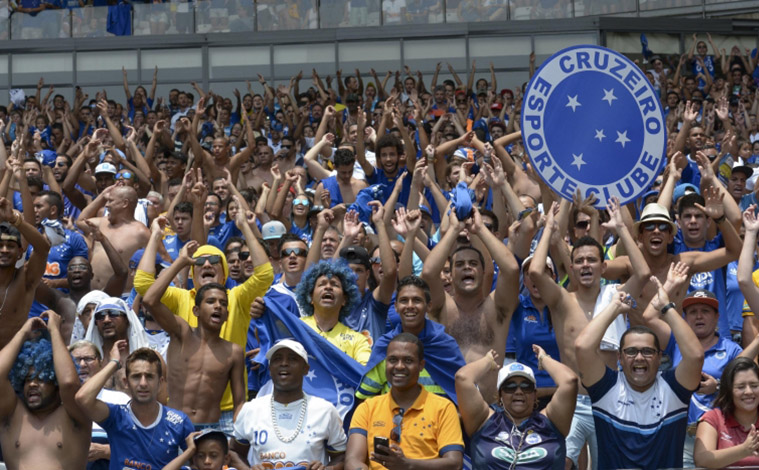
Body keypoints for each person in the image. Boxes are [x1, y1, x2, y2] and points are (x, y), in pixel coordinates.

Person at [575, 263, 704, 470]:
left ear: (659, 357)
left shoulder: (674, 388)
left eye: (647, 351)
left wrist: (667, 307)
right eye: (631, 351)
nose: (639, 358)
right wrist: (613, 308)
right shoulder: (605, 387)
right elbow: (582, 347)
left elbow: (696, 356)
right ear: (620, 357)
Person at [421, 205, 520, 403]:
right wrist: (454, 230)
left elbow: (511, 269)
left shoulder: (497, 308)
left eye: (473, 264)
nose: (467, 267)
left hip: (490, 410)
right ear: (451, 274)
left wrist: (480, 229)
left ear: (483, 273)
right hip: (447, 407)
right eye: (459, 264)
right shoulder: (442, 308)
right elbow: (429, 273)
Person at [143, 240, 246, 427]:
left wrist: (237, 436)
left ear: (226, 315)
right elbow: (150, 300)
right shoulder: (181, 333)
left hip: (214, 429)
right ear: (196, 311)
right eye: (211, 302)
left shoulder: (234, 352)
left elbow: (240, 403)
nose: (218, 306)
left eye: (223, 304)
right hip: (174, 426)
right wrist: (181, 263)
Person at [345, 333, 464, 470]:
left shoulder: (443, 408)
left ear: (421, 365)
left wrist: (407, 465)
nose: (399, 366)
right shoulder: (367, 408)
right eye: (393, 360)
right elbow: (352, 461)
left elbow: (454, 464)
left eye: (408, 360)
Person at [455, 346, 578, 470]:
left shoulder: (551, 422)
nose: (519, 391)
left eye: (526, 386)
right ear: (500, 395)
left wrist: (544, 359)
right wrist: (487, 361)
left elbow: (569, 381)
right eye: (510, 386)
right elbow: (463, 378)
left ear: (535, 394)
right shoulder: (483, 422)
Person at [75, 343, 195, 470]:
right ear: (126, 382)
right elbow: (83, 398)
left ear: (160, 383)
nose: (143, 383)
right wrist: (114, 363)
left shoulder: (179, 421)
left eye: (149, 376)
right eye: (136, 377)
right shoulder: (116, 417)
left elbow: (199, 462)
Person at [232, 339, 347, 469]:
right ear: (270, 369)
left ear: (306, 369)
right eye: (277, 359)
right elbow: (233, 452)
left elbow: (342, 456)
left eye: (292, 359)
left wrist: (327, 469)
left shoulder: (325, 411)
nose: (284, 364)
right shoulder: (251, 410)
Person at [0, 311, 91, 470]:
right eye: (28, 379)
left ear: (56, 383)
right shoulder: (12, 413)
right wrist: (22, 333)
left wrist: (54, 330)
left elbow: (69, 382)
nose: (33, 384)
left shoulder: (75, 415)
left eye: (41, 378)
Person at [357, 275, 466, 402]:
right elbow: (365, 398)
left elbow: (463, 397)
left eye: (417, 300)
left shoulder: (445, 345)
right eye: (404, 300)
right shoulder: (385, 346)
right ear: (396, 307)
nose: (410, 306)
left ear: (429, 306)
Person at [294, 258, 371, 365]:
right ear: (310, 297)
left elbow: (364, 374)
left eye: (335, 284)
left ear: (344, 300)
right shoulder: (295, 327)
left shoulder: (358, 341)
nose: (328, 287)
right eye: (322, 284)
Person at [69, 339, 131, 470]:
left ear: (101, 363)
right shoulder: (57, 403)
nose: (82, 364)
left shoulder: (120, 400)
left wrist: (105, 451)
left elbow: (139, 446)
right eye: (76, 359)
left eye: (88, 358)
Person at [76, 185, 150, 292]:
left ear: (125, 203)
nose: (106, 205)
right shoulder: (102, 222)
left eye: (110, 201)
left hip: (121, 297)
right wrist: (101, 196)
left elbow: (164, 261)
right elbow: (80, 221)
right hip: (93, 293)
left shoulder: (141, 232)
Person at [0, 197, 51, 349]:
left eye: (10, 245)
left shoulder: (25, 279)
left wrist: (15, 220)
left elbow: (43, 248)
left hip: (16, 359)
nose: (4, 250)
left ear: (20, 252)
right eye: (0, 245)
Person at [694, 357, 759, 468]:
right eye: (741, 387)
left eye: (754, 386)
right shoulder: (714, 418)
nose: (748, 391)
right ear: (729, 390)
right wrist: (744, 450)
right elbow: (702, 459)